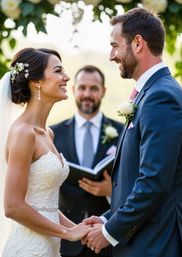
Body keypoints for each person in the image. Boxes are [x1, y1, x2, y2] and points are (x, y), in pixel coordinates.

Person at [82, 8, 182, 257]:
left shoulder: (161, 97)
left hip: (157, 244)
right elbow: (134, 178)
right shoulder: (151, 93)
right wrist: (106, 219)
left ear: (137, 43)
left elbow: (154, 182)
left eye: (115, 46)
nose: (111, 56)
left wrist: (110, 232)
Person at [0, 48, 90, 257]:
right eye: (58, 71)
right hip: (29, 247)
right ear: (36, 81)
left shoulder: (47, 133)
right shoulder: (23, 133)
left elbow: (42, 204)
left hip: (49, 245)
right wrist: (67, 233)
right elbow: (13, 206)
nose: (66, 77)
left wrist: (77, 228)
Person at [51, 65, 123, 257]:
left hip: (108, 237)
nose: (87, 94)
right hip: (65, 239)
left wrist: (112, 191)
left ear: (103, 92)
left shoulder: (123, 132)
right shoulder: (53, 133)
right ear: (74, 90)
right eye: (82, 88)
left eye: (94, 88)